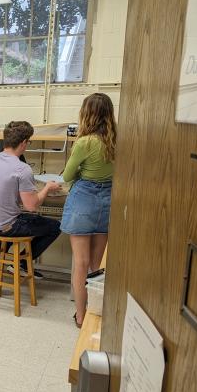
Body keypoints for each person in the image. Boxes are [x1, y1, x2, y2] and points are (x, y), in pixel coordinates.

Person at [0, 121, 62, 294]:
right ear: (23, 143)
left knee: (3, 237)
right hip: (6, 226)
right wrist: (46, 189)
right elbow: (31, 206)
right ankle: (20, 265)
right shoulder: (22, 169)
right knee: (55, 226)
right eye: (29, 142)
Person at [61, 93, 115, 327]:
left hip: (84, 200)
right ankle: (97, 312)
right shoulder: (116, 141)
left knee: (80, 263)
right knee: (96, 264)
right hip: (108, 200)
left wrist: (84, 171)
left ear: (87, 114)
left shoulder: (84, 142)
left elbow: (67, 175)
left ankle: (81, 315)